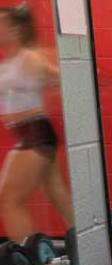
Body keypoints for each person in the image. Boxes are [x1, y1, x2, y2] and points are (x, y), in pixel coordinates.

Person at [0, 6, 68, 240]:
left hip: (35, 134)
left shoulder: (30, 58)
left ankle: (28, 259)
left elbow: (66, 77)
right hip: (29, 136)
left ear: (16, 29)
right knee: (57, 194)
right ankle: (94, 240)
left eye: (2, 24)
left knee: (8, 200)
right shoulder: (8, 63)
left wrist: (20, 113)